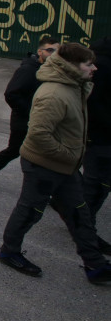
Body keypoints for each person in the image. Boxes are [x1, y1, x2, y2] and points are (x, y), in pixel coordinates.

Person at [0, 43, 111, 284]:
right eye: (88, 64)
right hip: (43, 165)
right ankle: (9, 251)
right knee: (30, 210)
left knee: (79, 214)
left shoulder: (74, 88)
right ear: (71, 67)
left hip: (63, 166)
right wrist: (70, 154)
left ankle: (95, 264)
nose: (94, 68)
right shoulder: (54, 94)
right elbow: (39, 134)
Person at [0, 37, 60, 190]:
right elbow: (11, 94)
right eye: (50, 50)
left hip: (44, 121)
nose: (54, 54)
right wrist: (30, 112)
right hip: (23, 120)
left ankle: (42, 188)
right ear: (40, 51)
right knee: (14, 150)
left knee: (42, 155)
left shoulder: (54, 71)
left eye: (57, 51)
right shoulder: (28, 70)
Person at [83, 37, 111, 255]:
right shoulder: (103, 67)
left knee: (95, 183)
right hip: (100, 137)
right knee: (97, 184)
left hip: (96, 135)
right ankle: (85, 230)